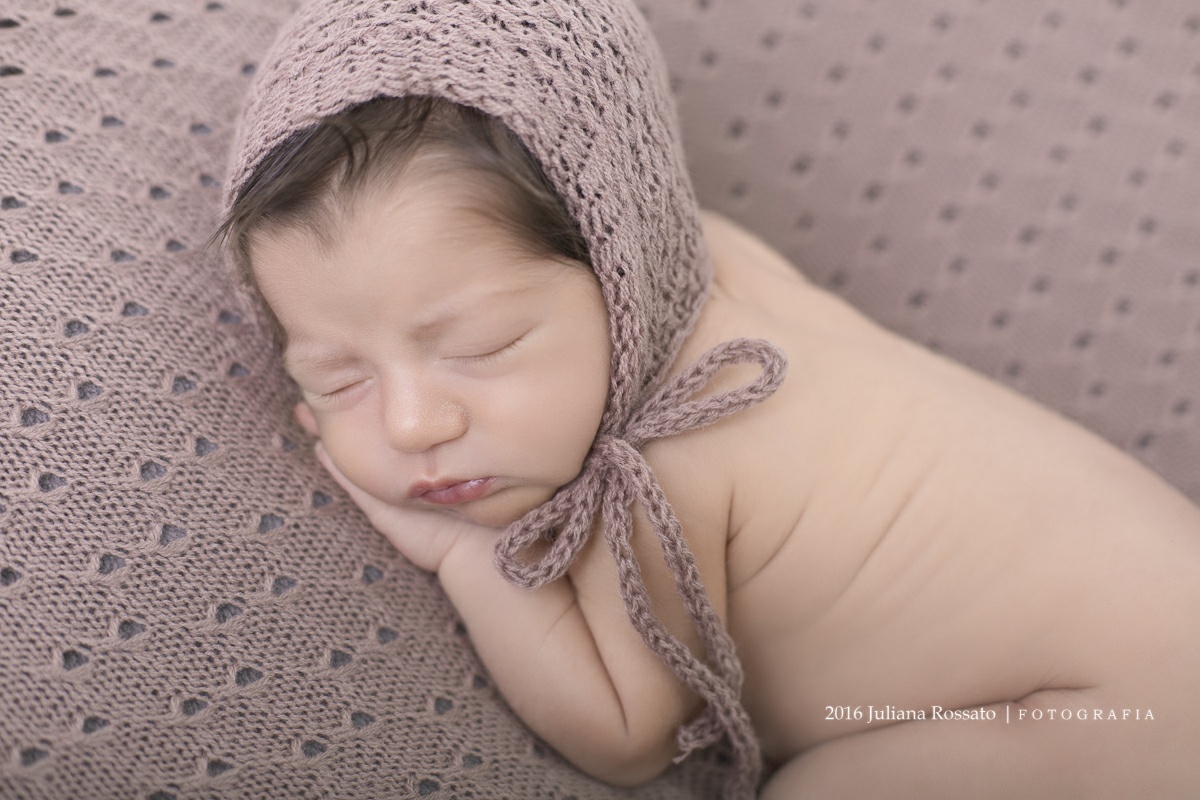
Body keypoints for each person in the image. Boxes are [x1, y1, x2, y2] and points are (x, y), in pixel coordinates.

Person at [216, 0, 1200, 797]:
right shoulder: (723, 259)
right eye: (336, 376)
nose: (412, 422)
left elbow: (626, 735)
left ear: (620, 257)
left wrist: (465, 553)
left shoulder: (667, 462)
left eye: (481, 346)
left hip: (1109, 705)